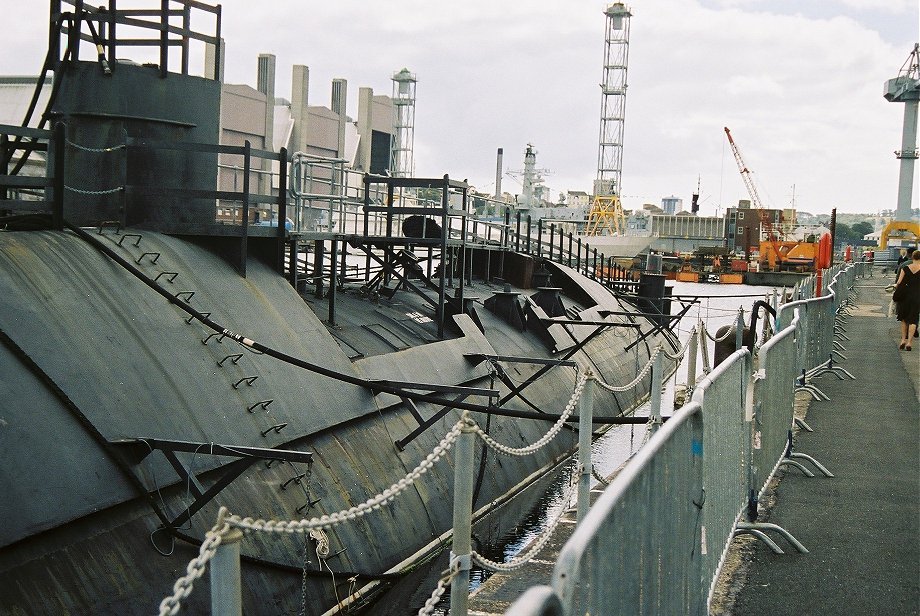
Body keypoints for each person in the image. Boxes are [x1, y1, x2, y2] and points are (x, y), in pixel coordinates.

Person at [894, 249, 920, 351]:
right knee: (913, 319)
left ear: (912, 257)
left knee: (904, 319)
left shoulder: (905, 268)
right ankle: (909, 343)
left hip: (905, 296)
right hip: (917, 296)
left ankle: (903, 340)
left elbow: (899, 282)